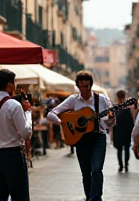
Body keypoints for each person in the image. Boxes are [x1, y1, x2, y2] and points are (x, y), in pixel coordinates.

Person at [47, 70, 116, 201]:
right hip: (81, 140)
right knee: (86, 173)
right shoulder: (73, 100)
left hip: (98, 138)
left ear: (91, 85)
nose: (84, 89)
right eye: (81, 86)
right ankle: (89, 196)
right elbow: (51, 114)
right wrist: (64, 123)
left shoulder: (101, 100)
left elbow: (109, 124)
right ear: (78, 86)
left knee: (96, 169)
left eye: (87, 86)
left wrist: (111, 118)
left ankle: (96, 197)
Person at [0, 69, 32, 201]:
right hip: (11, 155)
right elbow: (26, 133)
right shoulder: (14, 105)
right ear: (9, 85)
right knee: (20, 196)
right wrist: (28, 115)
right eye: (14, 84)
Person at [112, 90, 134, 173]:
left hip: (118, 131)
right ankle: (126, 164)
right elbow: (131, 122)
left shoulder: (115, 108)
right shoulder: (127, 109)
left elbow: (113, 121)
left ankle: (121, 166)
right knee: (126, 148)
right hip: (126, 131)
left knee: (119, 149)